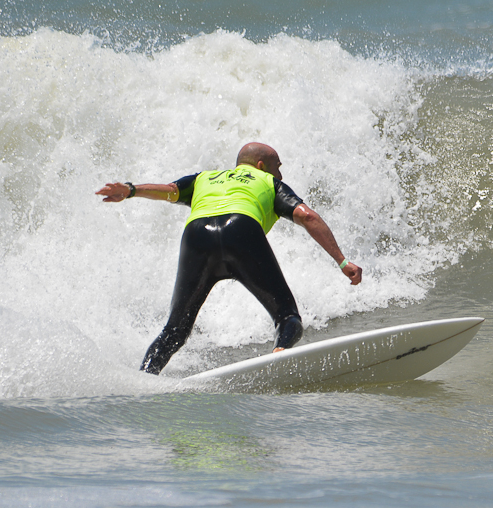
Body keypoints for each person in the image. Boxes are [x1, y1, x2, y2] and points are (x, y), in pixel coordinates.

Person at [95, 142, 362, 375]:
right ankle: (280, 355)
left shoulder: (204, 178)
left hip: (197, 236)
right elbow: (308, 216)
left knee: (175, 331)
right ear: (261, 165)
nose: (280, 172)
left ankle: (144, 378)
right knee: (288, 317)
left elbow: (168, 191)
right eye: (277, 166)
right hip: (241, 231)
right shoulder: (269, 182)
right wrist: (341, 261)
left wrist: (130, 190)